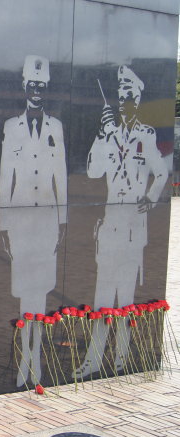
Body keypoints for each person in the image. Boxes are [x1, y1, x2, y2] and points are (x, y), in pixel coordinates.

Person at [74, 66, 168, 379]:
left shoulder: (147, 135)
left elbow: (163, 172)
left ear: (138, 99)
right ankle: (94, 359)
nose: (126, 99)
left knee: (126, 298)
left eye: (131, 94)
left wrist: (151, 198)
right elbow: (92, 172)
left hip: (134, 227)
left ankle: (122, 359)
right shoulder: (109, 133)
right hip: (111, 221)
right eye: (122, 94)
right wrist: (101, 136)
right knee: (103, 295)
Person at [0, 55, 67, 387]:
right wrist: (3, 225)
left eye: (43, 86)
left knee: (40, 294)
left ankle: (34, 363)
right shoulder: (12, 127)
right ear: (24, 86)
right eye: (32, 85)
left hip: (47, 222)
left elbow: (62, 176)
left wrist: (63, 220)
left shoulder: (56, 127)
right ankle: (23, 362)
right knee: (26, 294)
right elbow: (4, 176)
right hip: (21, 223)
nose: (37, 91)